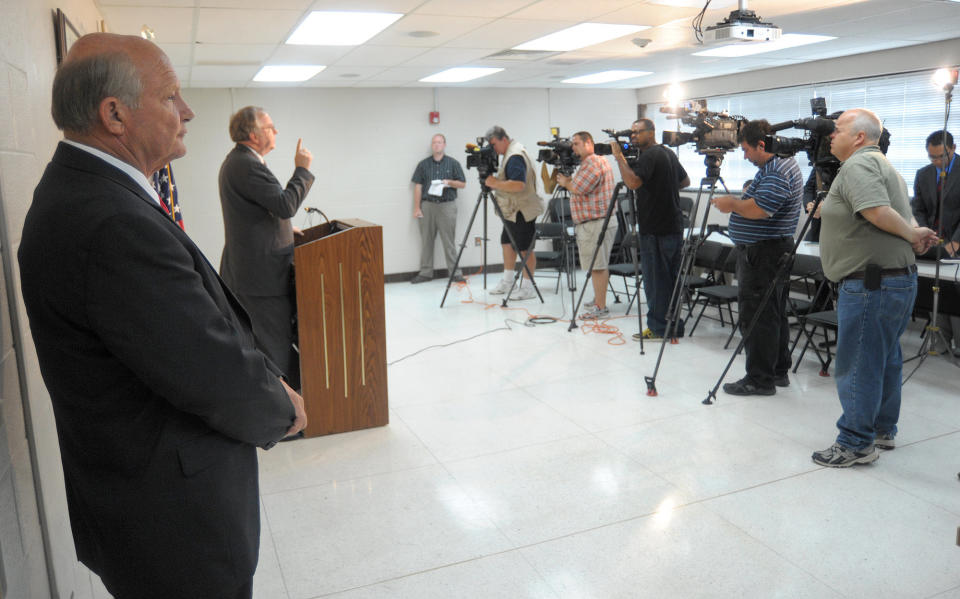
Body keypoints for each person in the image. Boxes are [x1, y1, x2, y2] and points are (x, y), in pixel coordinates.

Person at [17, 33, 306, 598]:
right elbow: (204, 363)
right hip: (172, 523)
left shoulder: (90, 193)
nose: (188, 110)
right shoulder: (107, 220)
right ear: (115, 114)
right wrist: (281, 406)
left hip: (142, 504)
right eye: (171, 96)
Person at [812, 108, 937, 467]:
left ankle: (855, 442)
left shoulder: (859, 165)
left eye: (837, 130)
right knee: (884, 358)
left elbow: (877, 211)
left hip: (872, 284)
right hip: (892, 279)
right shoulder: (885, 166)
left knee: (859, 363)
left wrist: (912, 234)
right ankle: (882, 429)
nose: (830, 135)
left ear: (860, 137)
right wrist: (912, 233)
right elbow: (896, 212)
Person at [219, 106, 314, 389]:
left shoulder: (241, 161)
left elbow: (262, 211)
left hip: (252, 272)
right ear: (253, 134)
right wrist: (302, 169)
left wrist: (285, 230)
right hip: (260, 280)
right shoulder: (247, 165)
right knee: (273, 348)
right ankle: (284, 417)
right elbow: (286, 205)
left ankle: (285, 408)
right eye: (270, 126)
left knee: (272, 344)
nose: (276, 131)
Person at [711, 119, 803, 396]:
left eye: (747, 150)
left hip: (763, 252)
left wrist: (731, 205)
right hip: (769, 249)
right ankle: (777, 371)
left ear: (762, 145)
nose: (745, 156)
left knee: (757, 316)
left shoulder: (776, 169)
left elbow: (760, 210)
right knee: (772, 313)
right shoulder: (779, 165)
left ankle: (759, 379)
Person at [611, 119, 690, 340]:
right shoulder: (667, 153)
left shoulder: (650, 155)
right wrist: (661, 186)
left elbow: (633, 183)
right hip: (673, 226)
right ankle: (674, 326)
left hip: (656, 229)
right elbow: (684, 181)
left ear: (651, 132)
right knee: (671, 281)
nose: (633, 136)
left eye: (638, 132)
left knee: (656, 282)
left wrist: (619, 157)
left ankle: (657, 328)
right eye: (632, 133)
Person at [556, 131, 617, 319]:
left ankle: (601, 307)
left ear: (588, 143)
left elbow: (579, 188)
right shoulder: (593, 161)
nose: (573, 147)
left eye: (576, 143)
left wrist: (566, 182)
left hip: (596, 223)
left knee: (597, 266)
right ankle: (599, 299)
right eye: (572, 144)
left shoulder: (592, 162)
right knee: (595, 264)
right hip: (594, 223)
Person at [911, 130, 960, 355]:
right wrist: (922, 233)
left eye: (942, 156)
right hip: (933, 242)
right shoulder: (923, 174)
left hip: (956, 242)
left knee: (955, 293)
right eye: (932, 157)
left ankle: (958, 346)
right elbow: (918, 209)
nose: (937, 161)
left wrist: (956, 242)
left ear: (953, 148)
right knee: (935, 289)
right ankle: (940, 341)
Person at [484, 126, 544, 300]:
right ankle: (508, 281)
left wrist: (494, 183)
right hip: (512, 209)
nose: (493, 149)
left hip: (523, 210)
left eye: (494, 144)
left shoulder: (515, 156)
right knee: (507, 243)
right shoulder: (509, 153)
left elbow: (518, 185)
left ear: (503, 139)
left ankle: (527, 287)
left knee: (525, 249)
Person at [410, 133, 467, 283]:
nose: (437, 145)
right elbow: (418, 186)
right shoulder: (423, 164)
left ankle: (455, 273)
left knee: (449, 241)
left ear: (444, 145)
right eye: (434, 142)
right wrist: (417, 208)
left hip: (447, 206)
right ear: (431, 145)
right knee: (426, 240)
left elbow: (462, 184)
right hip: (427, 206)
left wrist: (449, 182)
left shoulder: (453, 163)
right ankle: (426, 272)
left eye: (440, 142)